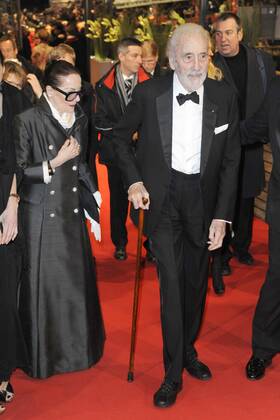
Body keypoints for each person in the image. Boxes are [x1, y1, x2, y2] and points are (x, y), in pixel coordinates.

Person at [112, 23, 240, 408]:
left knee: (195, 284)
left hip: (202, 202)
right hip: (162, 200)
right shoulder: (150, 93)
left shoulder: (223, 95)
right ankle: (172, 374)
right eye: (189, 56)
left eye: (204, 55)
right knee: (171, 282)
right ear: (172, 60)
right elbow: (118, 137)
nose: (197, 64)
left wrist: (223, 216)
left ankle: (186, 350)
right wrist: (133, 181)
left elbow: (232, 160)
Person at [15, 60, 105, 379]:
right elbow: (18, 171)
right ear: (50, 91)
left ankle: (80, 350)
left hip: (72, 210)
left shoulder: (79, 116)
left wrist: (94, 195)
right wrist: (54, 163)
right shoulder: (26, 120)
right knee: (46, 287)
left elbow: (80, 163)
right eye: (70, 94)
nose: (76, 100)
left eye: (80, 93)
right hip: (39, 214)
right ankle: (46, 357)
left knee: (76, 283)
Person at [213, 12, 275, 275]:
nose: (223, 38)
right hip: (222, 143)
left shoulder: (261, 61)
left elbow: (271, 95)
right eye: (218, 34)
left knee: (247, 197)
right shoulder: (209, 64)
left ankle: (242, 247)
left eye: (228, 33)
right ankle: (222, 253)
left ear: (240, 34)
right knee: (224, 197)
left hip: (251, 140)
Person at [95, 37, 150, 260]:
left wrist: (140, 133)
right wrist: (127, 132)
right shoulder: (103, 85)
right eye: (135, 55)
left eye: (141, 55)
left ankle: (150, 243)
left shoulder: (150, 82)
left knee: (146, 199)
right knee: (117, 200)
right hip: (115, 153)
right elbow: (99, 120)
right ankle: (120, 242)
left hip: (143, 152)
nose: (140, 60)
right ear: (121, 56)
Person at [241, 76, 280, 381]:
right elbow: (256, 127)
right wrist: (214, 131)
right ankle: (263, 348)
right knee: (278, 275)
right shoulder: (278, 88)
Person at [0, 54, 30, 415]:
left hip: (5, 202)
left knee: (5, 296)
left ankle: (2, 374)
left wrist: (12, 202)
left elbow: (20, 157)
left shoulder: (13, 97)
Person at [48, 43, 99, 186]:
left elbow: (89, 127)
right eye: (61, 65)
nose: (65, 70)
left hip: (80, 158)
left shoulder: (86, 89)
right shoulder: (45, 90)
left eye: (69, 65)